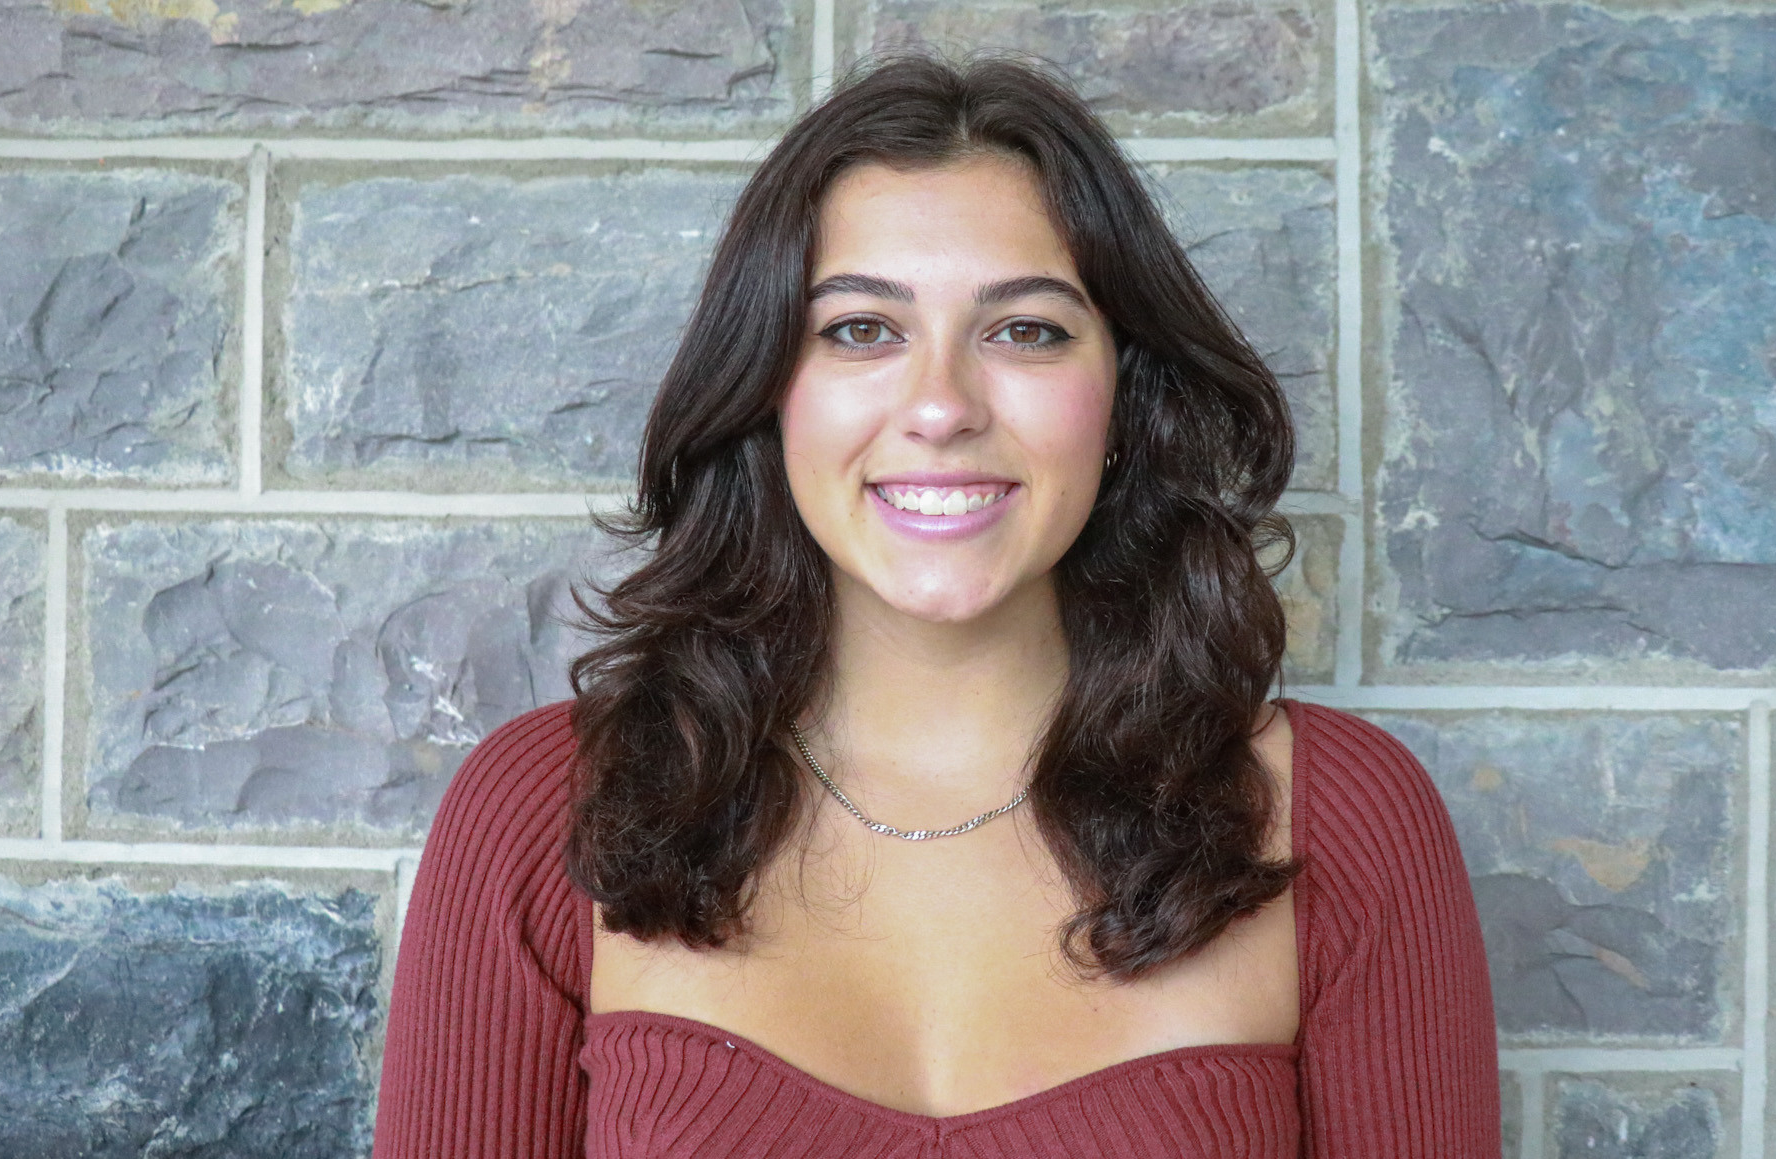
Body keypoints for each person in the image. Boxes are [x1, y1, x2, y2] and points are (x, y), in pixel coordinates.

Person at [374, 53, 1499, 1159]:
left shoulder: (1340, 820)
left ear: (1125, 393)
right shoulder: (544, 815)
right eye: (860, 329)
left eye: (1024, 330)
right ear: (767, 390)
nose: (941, 406)